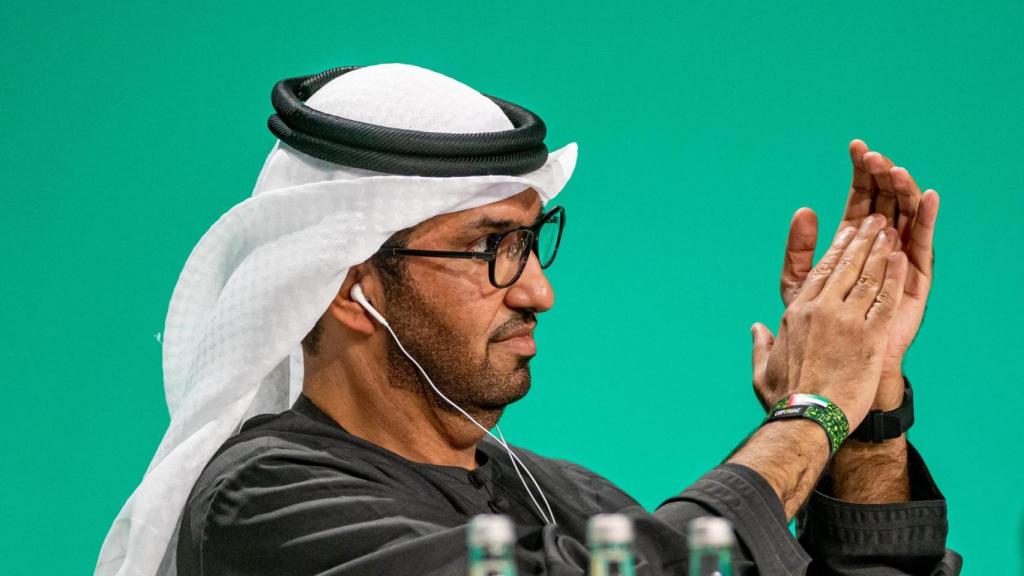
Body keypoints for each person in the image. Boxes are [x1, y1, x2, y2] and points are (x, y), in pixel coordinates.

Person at [97, 63, 961, 576]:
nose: (536, 291)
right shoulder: (267, 504)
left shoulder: (566, 496)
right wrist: (813, 412)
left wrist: (869, 419)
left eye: (533, 242)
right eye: (489, 248)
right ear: (348, 286)